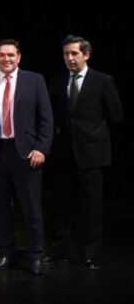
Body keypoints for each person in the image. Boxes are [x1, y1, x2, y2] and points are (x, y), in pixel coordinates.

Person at [0, 39, 52, 275]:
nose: (7, 59)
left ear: (19, 57)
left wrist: (41, 148)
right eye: (2, 55)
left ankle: (36, 255)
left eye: (11, 55)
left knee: (31, 208)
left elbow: (46, 118)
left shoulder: (34, 80)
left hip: (25, 153)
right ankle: (6, 253)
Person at [45, 35, 123, 269]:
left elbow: (116, 116)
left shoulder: (102, 81)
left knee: (90, 205)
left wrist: (96, 137)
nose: (69, 58)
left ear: (86, 55)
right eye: (66, 54)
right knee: (61, 204)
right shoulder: (57, 82)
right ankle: (59, 250)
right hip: (64, 153)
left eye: (74, 53)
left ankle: (88, 252)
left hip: (91, 153)